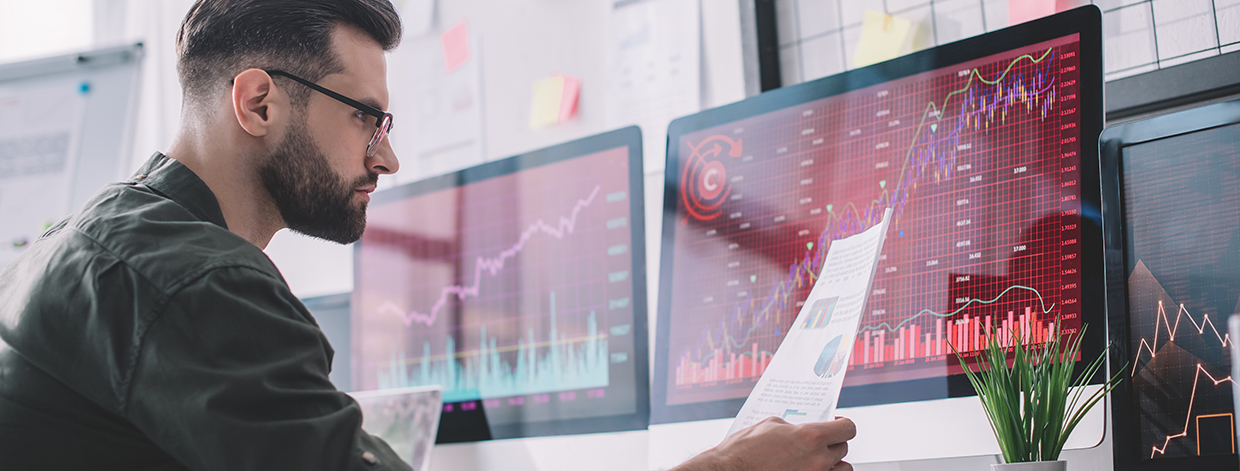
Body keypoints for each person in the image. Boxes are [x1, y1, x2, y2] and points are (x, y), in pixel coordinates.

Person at [0, 1, 854, 470]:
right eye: (365, 118)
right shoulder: (195, 283)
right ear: (258, 102)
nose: (390, 155)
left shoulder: (92, 241)